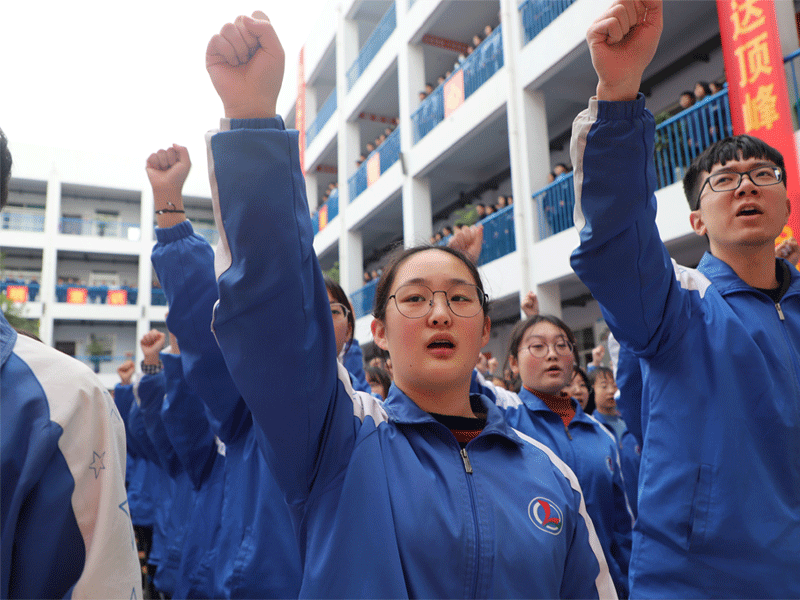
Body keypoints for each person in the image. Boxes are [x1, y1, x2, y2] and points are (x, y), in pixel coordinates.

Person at [203, 12, 615, 598]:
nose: (440, 313)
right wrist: (252, 124)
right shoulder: (338, 441)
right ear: (379, 331)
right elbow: (274, 312)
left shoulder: (552, 476)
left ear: (483, 329)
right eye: (415, 299)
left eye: (458, 299)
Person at [570, 1, 800, 596]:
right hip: (701, 582)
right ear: (696, 219)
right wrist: (618, 93)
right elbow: (616, 241)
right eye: (723, 180)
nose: (746, 183)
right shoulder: (679, 303)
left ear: (786, 206)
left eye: (763, 175)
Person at [475, 315, 634, 598]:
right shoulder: (504, 415)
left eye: (562, 345)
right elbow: (464, 376)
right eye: (537, 346)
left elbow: (623, 530)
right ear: (513, 363)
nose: (552, 354)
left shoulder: (602, 435)